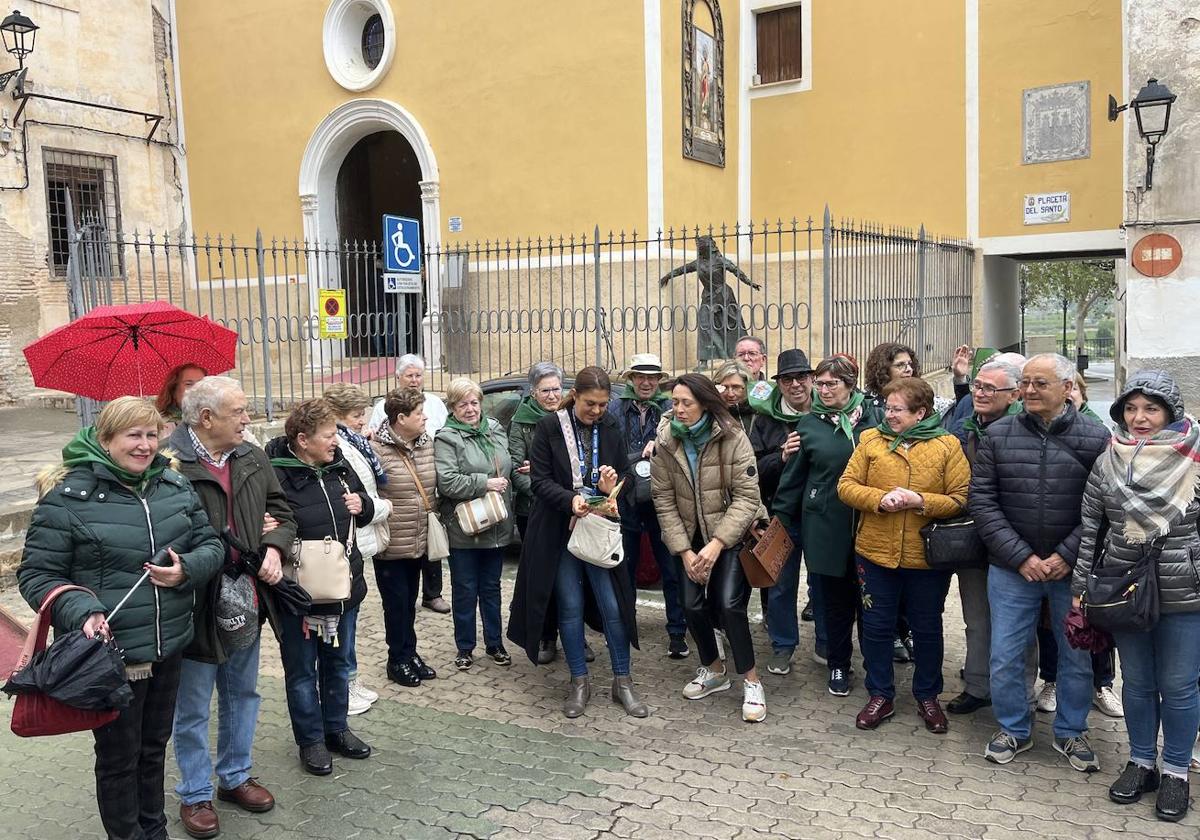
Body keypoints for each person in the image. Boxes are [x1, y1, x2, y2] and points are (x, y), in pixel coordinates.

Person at [19, 396, 223, 840]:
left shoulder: (174, 486)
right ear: (105, 439)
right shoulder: (68, 497)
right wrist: (83, 611)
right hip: (111, 654)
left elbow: (211, 545)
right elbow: (36, 575)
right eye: (133, 435)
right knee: (118, 757)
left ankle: (156, 829)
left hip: (168, 645)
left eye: (152, 434)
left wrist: (185, 570)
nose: (145, 445)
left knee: (153, 750)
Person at [167, 377, 297, 839]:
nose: (248, 419)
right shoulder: (170, 463)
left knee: (243, 692)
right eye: (238, 412)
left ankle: (236, 777)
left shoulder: (251, 455)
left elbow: (281, 511)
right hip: (194, 600)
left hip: (247, 595)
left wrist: (276, 548)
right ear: (206, 418)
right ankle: (196, 793)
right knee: (194, 703)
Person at [970, 353, 1109, 771]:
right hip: (1012, 568)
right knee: (1007, 653)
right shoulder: (998, 434)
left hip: (1072, 570)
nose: (1029, 391)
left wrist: (1066, 555)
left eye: (1040, 383)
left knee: (1075, 654)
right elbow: (983, 501)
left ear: (1068, 388)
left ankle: (1071, 732)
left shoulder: (1096, 438)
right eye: (1025, 382)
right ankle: (1014, 727)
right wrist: (1022, 556)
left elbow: (1104, 508)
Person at [1072, 370, 1200, 821]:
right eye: (1131, 408)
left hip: (1186, 592)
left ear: (1171, 411)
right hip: (1123, 588)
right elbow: (1091, 528)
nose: (1139, 418)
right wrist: (1080, 588)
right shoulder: (1108, 460)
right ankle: (1141, 761)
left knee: (1180, 686)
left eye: (1150, 408)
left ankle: (1177, 772)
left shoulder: (1196, 457)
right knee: (1139, 683)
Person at [507, 366, 648, 718]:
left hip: (599, 529)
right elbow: (539, 481)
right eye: (590, 404)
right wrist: (570, 499)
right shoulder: (550, 427)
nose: (597, 411)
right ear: (575, 397)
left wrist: (612, 488)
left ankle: (622, 681)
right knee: (568, 606)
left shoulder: (610, 426)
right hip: (559, 530)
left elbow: (626, 476)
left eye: (602, 404)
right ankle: (579, 681)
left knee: (613, 605)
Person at [837, 377, 970, 734]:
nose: (889, 414)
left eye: (897, 409)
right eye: (888, 406)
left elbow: (960, 498)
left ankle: (928, 695)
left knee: (927, 628)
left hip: (926, 559)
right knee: (877, 628)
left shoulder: (947, 446)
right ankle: (880, 694)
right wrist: (878, 499)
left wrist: (920, 501)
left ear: (921, 412)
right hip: (875, 553)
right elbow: (846, 486)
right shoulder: (871, 440)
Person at [265, 399, 376, 776]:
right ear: (302, 439)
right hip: (298, 593)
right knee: (301, 671)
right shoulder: (274, 475)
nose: (335, 442)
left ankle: (337, 729)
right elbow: (265, 526)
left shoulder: (340, 468)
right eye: (328, 435)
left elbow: (368, 509)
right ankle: (310, 740)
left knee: (338, 662)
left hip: (344, 587)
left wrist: (363, 505)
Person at [650, 374, 767, 722]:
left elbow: (748, 498)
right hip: (690, 538)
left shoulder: (732, 436)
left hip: (730, 535)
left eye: (687, 402)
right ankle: (714, 670)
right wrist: (685, 551)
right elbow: (663, 499)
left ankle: (751, 681)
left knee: (729, 605)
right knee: (690, 604)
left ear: (704, 403)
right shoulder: (666, 441)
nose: (680, 409)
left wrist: (716, 544)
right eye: (675, 402)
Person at [773, 354, 883, 698]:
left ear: (850, 385)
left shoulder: (874, 420)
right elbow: (794, 479)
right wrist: (780, 519)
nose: (822, 390)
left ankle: (877, 666)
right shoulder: (810, 424)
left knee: (871, 601)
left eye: (830, 383)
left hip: (870, 525)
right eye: (819, 384)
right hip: (824, 526)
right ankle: (838, 664)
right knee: (832, 601)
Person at [945, 359, 1023, 716]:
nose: (980, 393)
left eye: (990, 388)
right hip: (974, 539)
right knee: (976, 618)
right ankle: (978, 686)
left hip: (1016, 543)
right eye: (977, 385)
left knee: (1017, 624)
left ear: (1013, 395)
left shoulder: (1025, 431)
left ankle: (1018, 697)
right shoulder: (967, 428)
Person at [608, 353, 689, 659]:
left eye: (652, 377)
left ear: (659, 381)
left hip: (663, 499)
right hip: (625, 497)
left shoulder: (671, 408)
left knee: (671, 567)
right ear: (631, 379)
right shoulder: (615, 407)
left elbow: (685, 440)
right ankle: (626, 628)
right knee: (624, 566)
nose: (646, 382)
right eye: (640, 376)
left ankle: (678, 632)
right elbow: (608, 447)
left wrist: (662, 442)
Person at [435, 377, 516, 671]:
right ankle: (465, 647)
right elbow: (447, 482)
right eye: (462, 404)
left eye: (474, 402)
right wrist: (485, 483)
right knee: (465, 589)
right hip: (465, 528)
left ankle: (495, 643)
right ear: (452, 407)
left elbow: (507, 467)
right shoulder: (446, 437)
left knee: (492, 588)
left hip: (495, 523)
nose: (470, 410)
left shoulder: (495, 429)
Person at [323, 383, 394, 715]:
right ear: (336, 416)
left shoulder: (353, 444)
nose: (362, 421)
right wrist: (383, 508)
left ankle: (349, 679)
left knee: (351, 618)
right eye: (356, 415)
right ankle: (343, 685)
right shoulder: (342, 448)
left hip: (358, 543)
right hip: (349, 541)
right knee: (345, 621)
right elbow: (358, 498)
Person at [747, 348, 816, 675]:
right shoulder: (765, 418)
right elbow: (752, 469)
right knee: (780, 584)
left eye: (801, 377)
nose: (796, 385)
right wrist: (781, 455)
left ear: (812, 379)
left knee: (825, 583)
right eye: (788, 379)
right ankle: (782, 646)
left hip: (821, 516)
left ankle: (828, 645)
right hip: (781, 513)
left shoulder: (828, 411)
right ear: (779, 384)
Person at [369, 353, 450, 614]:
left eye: (418, 375)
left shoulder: (435, 403)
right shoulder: (383, 407)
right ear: (398, 377)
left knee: (431, 546)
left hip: (427, 485)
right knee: (398, 600)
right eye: (410, 375)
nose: (415, 380)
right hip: (399, 504)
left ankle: (432, 593)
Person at [371, 388, 439, 688]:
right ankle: (396, 659)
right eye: (418, 413)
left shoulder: (427, 444)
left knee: (410, 602)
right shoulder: (376, 449)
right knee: (395, 604)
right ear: (400, 418)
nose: (425, 417)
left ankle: (410, 653)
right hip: (391, 543)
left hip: (420, 539)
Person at [509, 362, 569, 664]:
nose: (552, 395)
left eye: (556, 388)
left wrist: (546, 475)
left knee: (572, 577)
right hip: (533, 510)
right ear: (533, 392)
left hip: (569, 510)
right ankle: (546, 636)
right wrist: (546, 488)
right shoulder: (521, 422)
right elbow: (517, 469)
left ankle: (574, 634)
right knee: (543, 578)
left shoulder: (570, 417)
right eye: (545, 390)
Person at [156, 364, 206, 435]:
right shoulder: (161, 426)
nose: (196, 389)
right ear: (173, 390)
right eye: (189, 384)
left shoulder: (216, 418)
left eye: (201, 384)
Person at [713, 360, 757, 436]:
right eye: (724, 387)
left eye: (736, 387)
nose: (730, 394)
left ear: (747, 387)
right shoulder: (711, 416)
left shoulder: (758, 415)